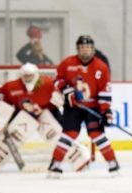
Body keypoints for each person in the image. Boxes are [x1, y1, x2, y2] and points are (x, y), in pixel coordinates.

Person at [48, 35, 119, 177]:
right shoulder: (67, 63)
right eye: (81, 47)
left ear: (93, 49)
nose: (84, 50)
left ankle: (113, 164)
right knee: (69, 134)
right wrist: (66, 90)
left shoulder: (101, 67)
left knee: (97, 134)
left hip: (92, 107)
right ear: (77, 49)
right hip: (72, 106)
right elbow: (56, 80)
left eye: (87, 47)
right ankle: (54, 165)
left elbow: (105, 91)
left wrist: (105, 111)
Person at [0, 63, 65, 172]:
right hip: (22, 114)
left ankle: (65, 158)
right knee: (12, 136)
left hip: (47, 110)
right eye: (25, 75)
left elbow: (61, 97)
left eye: (30, 75)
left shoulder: (48, 83)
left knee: (61, 133)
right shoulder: (11, 87)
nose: (28, 78)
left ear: (37, 75)